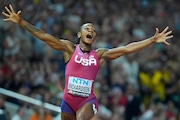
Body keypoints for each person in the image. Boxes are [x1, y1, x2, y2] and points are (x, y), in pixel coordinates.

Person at [2, 4, 173, 120]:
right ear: (79, 34)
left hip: (87, 101)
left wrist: (151, 40)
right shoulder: (69, 49)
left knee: (82, 118)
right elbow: (45, 37)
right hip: (67, 102)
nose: (91, 30)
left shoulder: (99, 55)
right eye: (87, 28)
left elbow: (126, 49)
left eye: (93, 29)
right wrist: (22, 22)